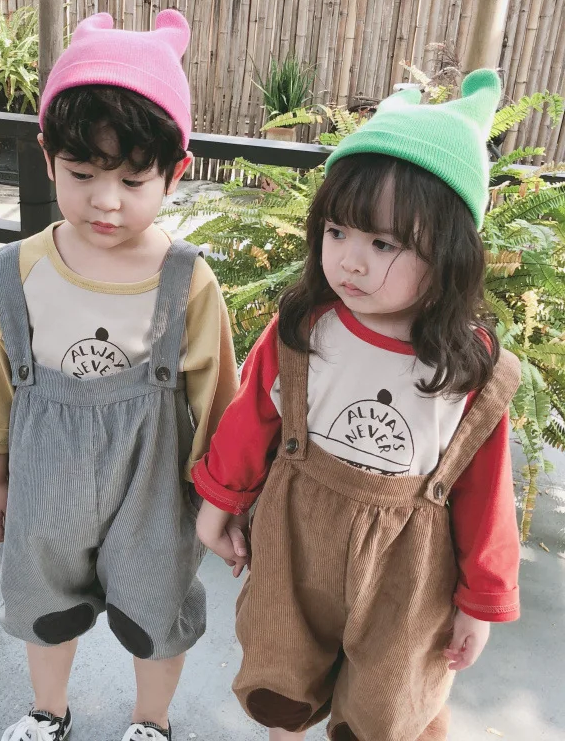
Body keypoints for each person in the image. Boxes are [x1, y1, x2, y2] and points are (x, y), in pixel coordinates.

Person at [192, 69, 522, 741]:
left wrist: (480, 600)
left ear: (450, 251)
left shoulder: (468, 367)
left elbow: (486, 490)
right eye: (338, 231)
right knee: (281, 671)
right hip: (294, 542)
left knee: (391, 699)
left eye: (384, 244)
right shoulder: (305, 330)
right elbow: (251, 419)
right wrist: (218, 505)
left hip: (409, 566)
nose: (351, 262)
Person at [0, 9, 238, 741]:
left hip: (153, 484)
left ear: (176, 172)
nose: (105, 200)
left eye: (132, 178)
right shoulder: (19, 269)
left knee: (155, 609)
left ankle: (151, 720)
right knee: (40, 601)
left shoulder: (187, 279)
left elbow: (220, 402)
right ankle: (48, 710)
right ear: (48, 156)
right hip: (43, 476)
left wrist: (223, 502)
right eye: (82, 174)